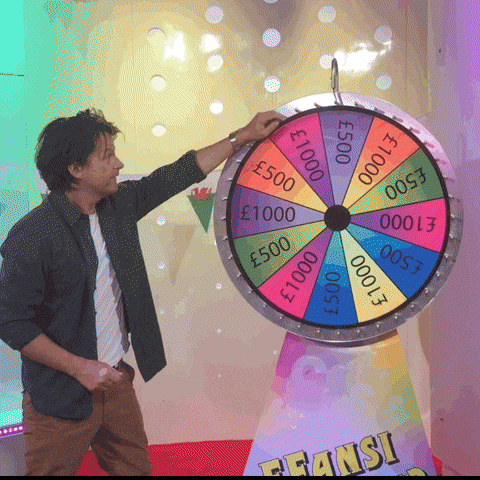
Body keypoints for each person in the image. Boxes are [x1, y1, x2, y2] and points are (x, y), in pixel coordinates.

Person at [0, 107, 285, 476]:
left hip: (115, 383)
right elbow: (12, 323)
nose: (119, 164)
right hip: (58, 397)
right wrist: (80, 367)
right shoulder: (32, 236)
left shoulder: (118, 206)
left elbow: (175, 175)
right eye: (107, 156)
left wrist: (242, 136)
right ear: (76, 170)